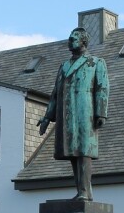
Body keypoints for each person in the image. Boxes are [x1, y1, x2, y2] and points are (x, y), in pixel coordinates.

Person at [38, 27, 109, 201]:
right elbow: (56, 93)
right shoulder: (64, 65)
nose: (70, 41)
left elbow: (102, 88)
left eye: (74, 38)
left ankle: (85, 191)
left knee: (84, 150)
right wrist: (47, 117)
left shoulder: (95, 62)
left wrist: (101, 113)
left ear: (84, 41)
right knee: (72, 151)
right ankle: (83, 190)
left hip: (85, 111)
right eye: (70, 38)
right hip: (67, 114)